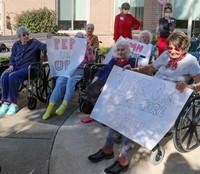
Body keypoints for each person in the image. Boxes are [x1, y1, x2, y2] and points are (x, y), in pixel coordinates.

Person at [88, 32, 200, 174]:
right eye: (170, 48)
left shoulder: (191, 61)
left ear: (184, 48)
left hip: (169, 98)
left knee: (134, 117)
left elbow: (199, 82)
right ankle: (107, 147)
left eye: (176, 49)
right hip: (153, 89)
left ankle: (123, 158)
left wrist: (190, 87)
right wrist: (134, 70)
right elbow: (150, 69)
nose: (171, 52)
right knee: (121, 109)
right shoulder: (165, 55)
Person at [42, 32, 95, 120]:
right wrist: (50, 39)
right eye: (76, 39)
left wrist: (89, 49)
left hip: (79, 69)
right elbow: (56, 49)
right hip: (68, 69)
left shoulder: (85, 48)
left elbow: (92, 60)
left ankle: (65, 103)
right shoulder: (69, 48)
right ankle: (49, 108)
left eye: (79, 39)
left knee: (70, 80)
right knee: (60, 81)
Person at [81, 40, 136, 123]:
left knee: (95, 91)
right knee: (90, 89)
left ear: (127, 50)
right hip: (102, 80)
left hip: (115, 84)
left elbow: (123, 77)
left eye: (122, 50)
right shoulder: (114, 60)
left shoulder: (131, 62)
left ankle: (99, 114)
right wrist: (94, 80)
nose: (120, 52)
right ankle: (97, 114)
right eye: (118, 50)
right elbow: (103, 70)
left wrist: (108, 85)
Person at [0, 26, 49, 116]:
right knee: (4, 75)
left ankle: (14, 104)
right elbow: (12, 57)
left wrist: (49, 39)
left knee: (12, 76)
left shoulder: (34, 42)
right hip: (16, 67)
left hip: (28, 69)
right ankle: (5, 102)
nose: (26, 36)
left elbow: (44, 47)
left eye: (27, 34)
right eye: (24, 35)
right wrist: (11, 65)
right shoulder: (16, 45)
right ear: (19, 37)